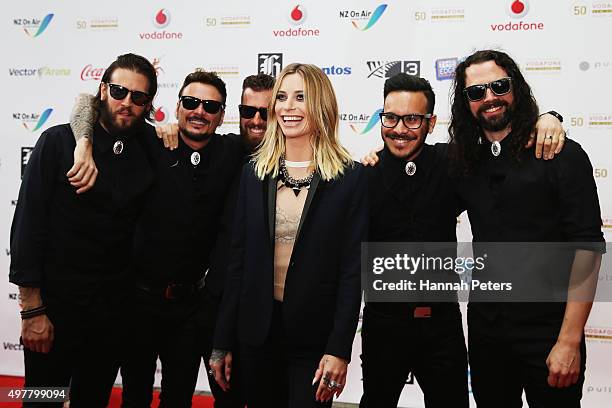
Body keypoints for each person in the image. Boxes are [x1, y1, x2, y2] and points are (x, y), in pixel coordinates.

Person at [68, 70, 247, 408]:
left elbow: (273, 130)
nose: (200, 112)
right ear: (177, 106)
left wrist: (377, 156)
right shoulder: (150, 140)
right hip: (137, 303)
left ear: (223, 116)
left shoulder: (231, 150)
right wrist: (83, 142)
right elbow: (85, 103)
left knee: (178, 397)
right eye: (191, 102)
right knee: (134, 394)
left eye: (210, 106)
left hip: (189, 307)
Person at [449, 49, 603, 407]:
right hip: (487, 335)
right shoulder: (464, 161)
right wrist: (373, 158)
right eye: (476, 92)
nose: (489, 98)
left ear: (515, 87)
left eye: (498, 86)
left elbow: (588, 250)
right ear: (466, 103)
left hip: (549, 334)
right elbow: (415, 170)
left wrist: (568, 341)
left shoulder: (562, 155)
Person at [210, 63, 369, 408]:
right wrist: (222, 341)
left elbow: (351, 273)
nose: (287, 107)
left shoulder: (350, 178)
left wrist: (339, 349)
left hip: (314, 340)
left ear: (321, 105)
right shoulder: (254, 173)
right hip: (256, 335)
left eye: (300, 97)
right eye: (281, 97)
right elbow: (237, 261)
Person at [9, 53, 157, 408]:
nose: (127, 103)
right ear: (103, 90)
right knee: (42, 399)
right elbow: (28, 227)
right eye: (120, 91)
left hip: (112, 317)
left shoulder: (149, 149)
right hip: (55, 312)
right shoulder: (58, 143)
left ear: (148, 104)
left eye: (139, 98)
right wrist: (31, 311)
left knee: (93, 399)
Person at [360, 73, 468, 408]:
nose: (400, 129)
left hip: (442, 326)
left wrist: (548, 120)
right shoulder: (364, 174)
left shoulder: (453, 163)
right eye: (390, 117)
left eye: (412, 119)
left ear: (431, 122)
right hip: (383, 326)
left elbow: (503, 146)